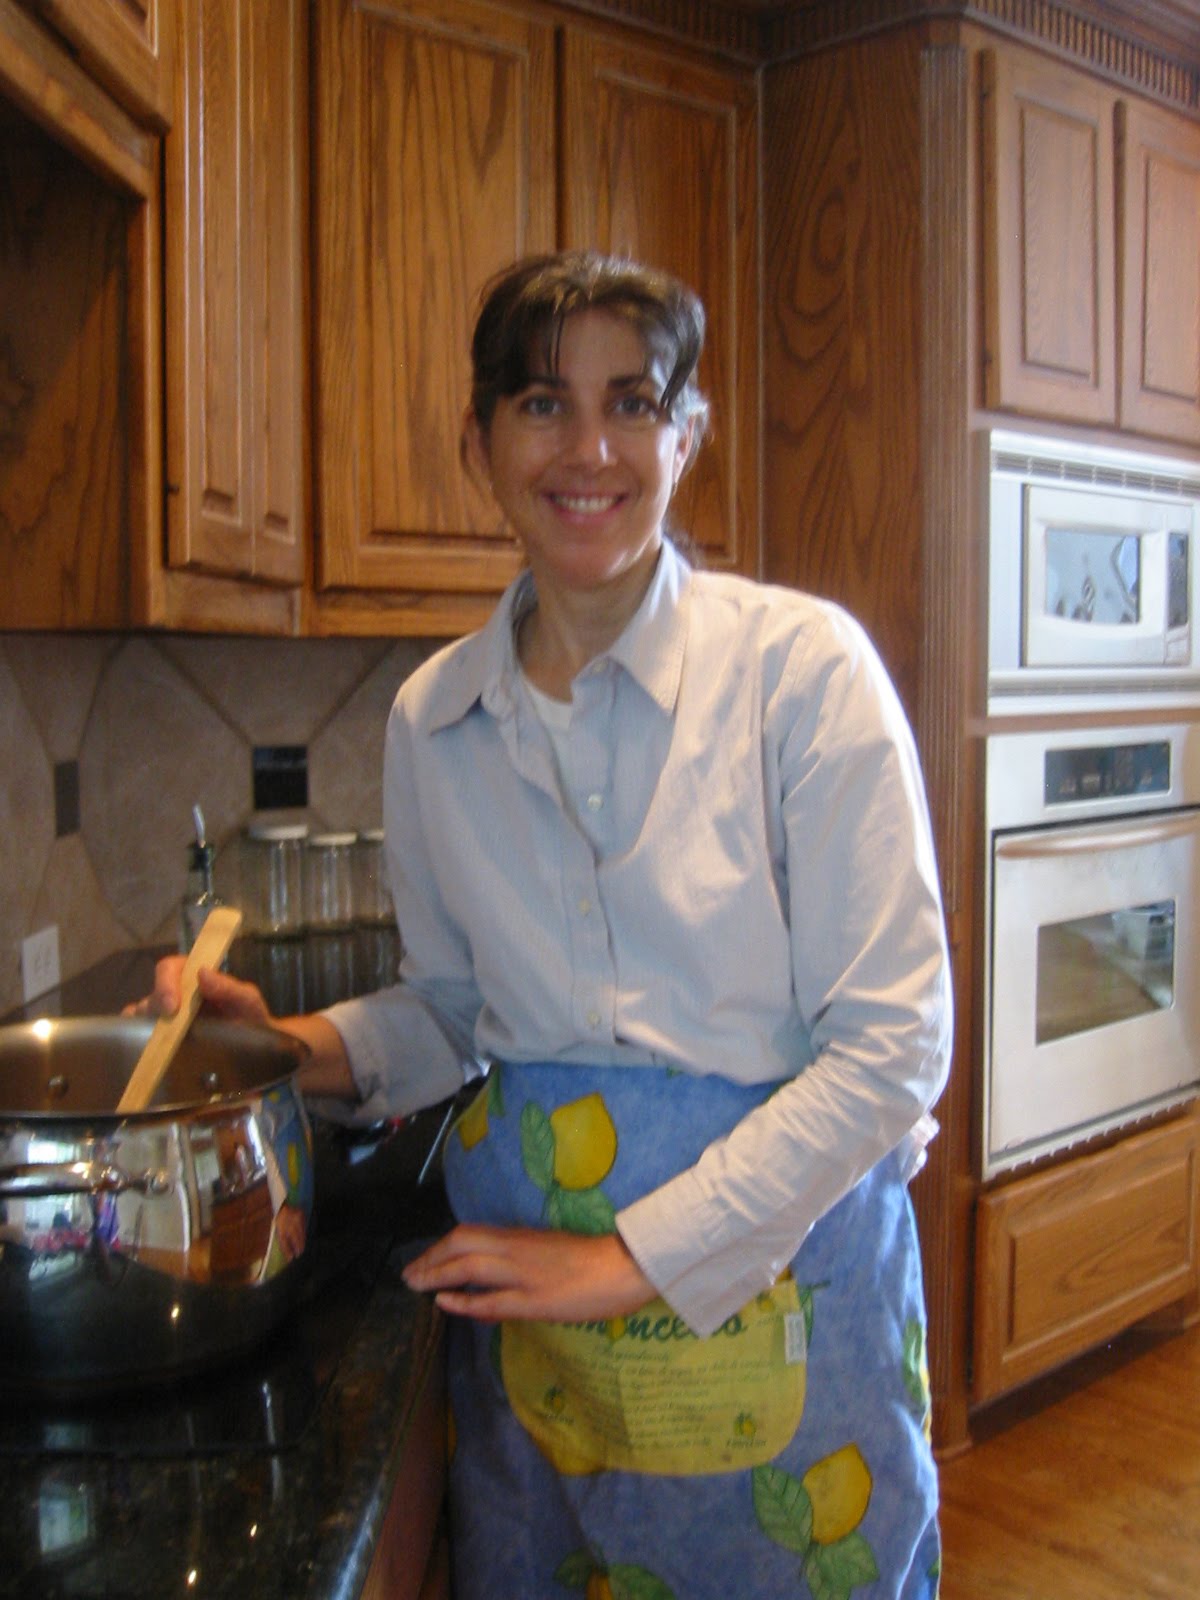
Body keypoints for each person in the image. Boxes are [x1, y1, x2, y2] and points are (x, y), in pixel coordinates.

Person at [137, 251, 952, 1599]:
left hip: (783, 1309)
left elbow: (893, 1050)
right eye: (540, 404)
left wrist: (626, 1261)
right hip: (552, 1349)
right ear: (478, 445)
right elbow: (457, 1013)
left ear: (687, 437)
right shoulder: (433, 720)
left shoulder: (803, 676)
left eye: (633, 404)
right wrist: (289, 1046)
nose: (588, 449)